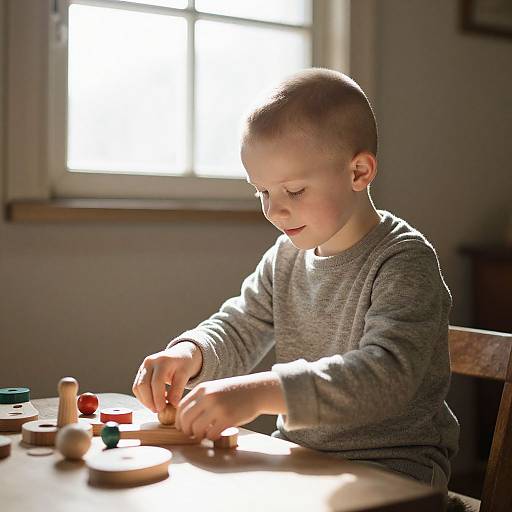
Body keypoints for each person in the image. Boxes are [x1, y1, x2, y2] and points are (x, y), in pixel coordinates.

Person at [132, 68, 459, 492]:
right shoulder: (286, 258)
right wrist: (190, 352)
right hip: (302, 458)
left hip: (396, 471)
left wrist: (257, 393)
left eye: (295, 191)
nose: (274, 211)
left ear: (359, 172)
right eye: (262, 192)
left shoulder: (403, 260)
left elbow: (387, 376)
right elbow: (239, 326)